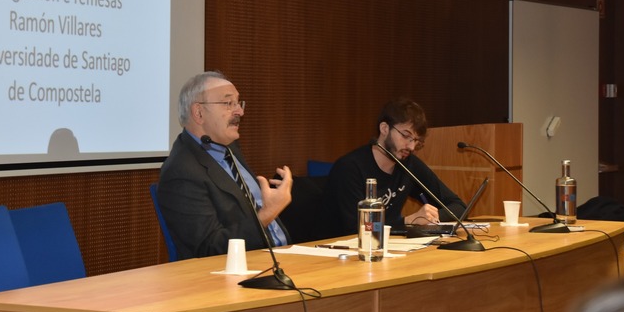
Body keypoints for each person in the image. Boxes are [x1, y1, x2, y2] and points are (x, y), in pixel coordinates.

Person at [157, 71, 293, 260]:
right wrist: (268, 213)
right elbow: (209, 249)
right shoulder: (181, 171)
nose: (240, 111)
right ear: (199, 112)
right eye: (228, 103)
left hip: (282, 258)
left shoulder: (228, 148)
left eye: (238, 103)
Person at [322, 97, 466, 237]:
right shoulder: (349, 168)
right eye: (405, 135)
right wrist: (407, 222)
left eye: (416, 141)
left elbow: (458, 206)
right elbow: (356, 228)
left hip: (389, 249)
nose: (411, 146)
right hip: (341, 252)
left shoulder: (409, 165)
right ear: (384, 128)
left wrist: (430, 217)